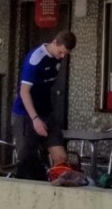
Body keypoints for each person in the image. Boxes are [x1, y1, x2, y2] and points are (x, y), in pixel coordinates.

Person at [10, 29, 75, 181]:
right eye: (60, 52)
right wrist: (35, 119)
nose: (62, 56)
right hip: (26, 114)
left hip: (45, 112)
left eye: (65, 54)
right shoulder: (35, 59)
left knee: (61, 156)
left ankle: (59, 182)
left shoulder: (57, 58)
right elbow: (24, 92)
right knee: (28, 161)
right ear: (54, 42)